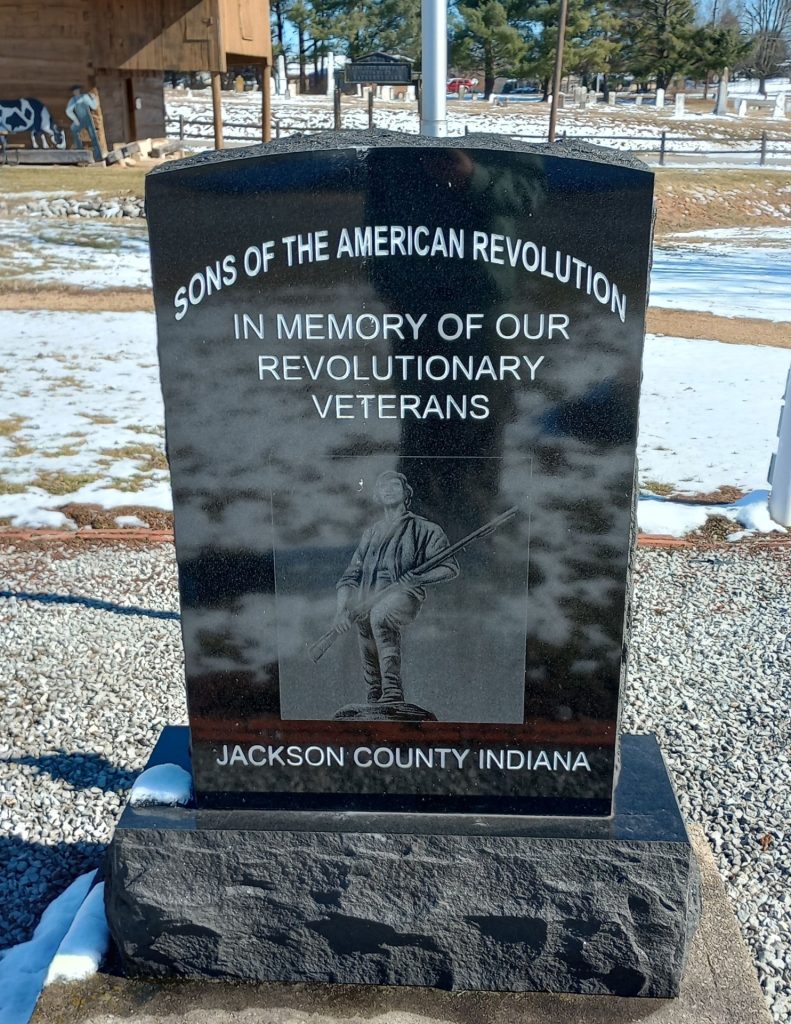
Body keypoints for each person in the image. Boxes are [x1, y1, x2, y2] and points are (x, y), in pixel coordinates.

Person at [334, 471, 459, 704]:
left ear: (405, 493)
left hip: (404, 595)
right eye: (383, 487)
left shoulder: (425, 530)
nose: (389, 490)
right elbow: (350, 576)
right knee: (365, 622)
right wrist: (340, 611)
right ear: (377, 495)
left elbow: (449, 568)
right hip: (367, 600)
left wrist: (416, 580)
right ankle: (374, 691)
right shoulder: (371, 534)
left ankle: (392, 689)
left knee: (380, 615)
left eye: (394, 485)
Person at [66, 86, 102, 161]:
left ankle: (98, 155)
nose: (76, 92)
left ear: (79, 91)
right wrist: (75, 120)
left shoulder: (85, 97)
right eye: (75, 91)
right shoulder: (73, 100)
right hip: (80, 120)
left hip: (88, 119)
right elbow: (68, 111)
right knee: (74, 130)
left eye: (77, 91)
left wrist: (94, 99)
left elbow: (94, 106)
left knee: (93, 136)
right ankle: (79, 151)